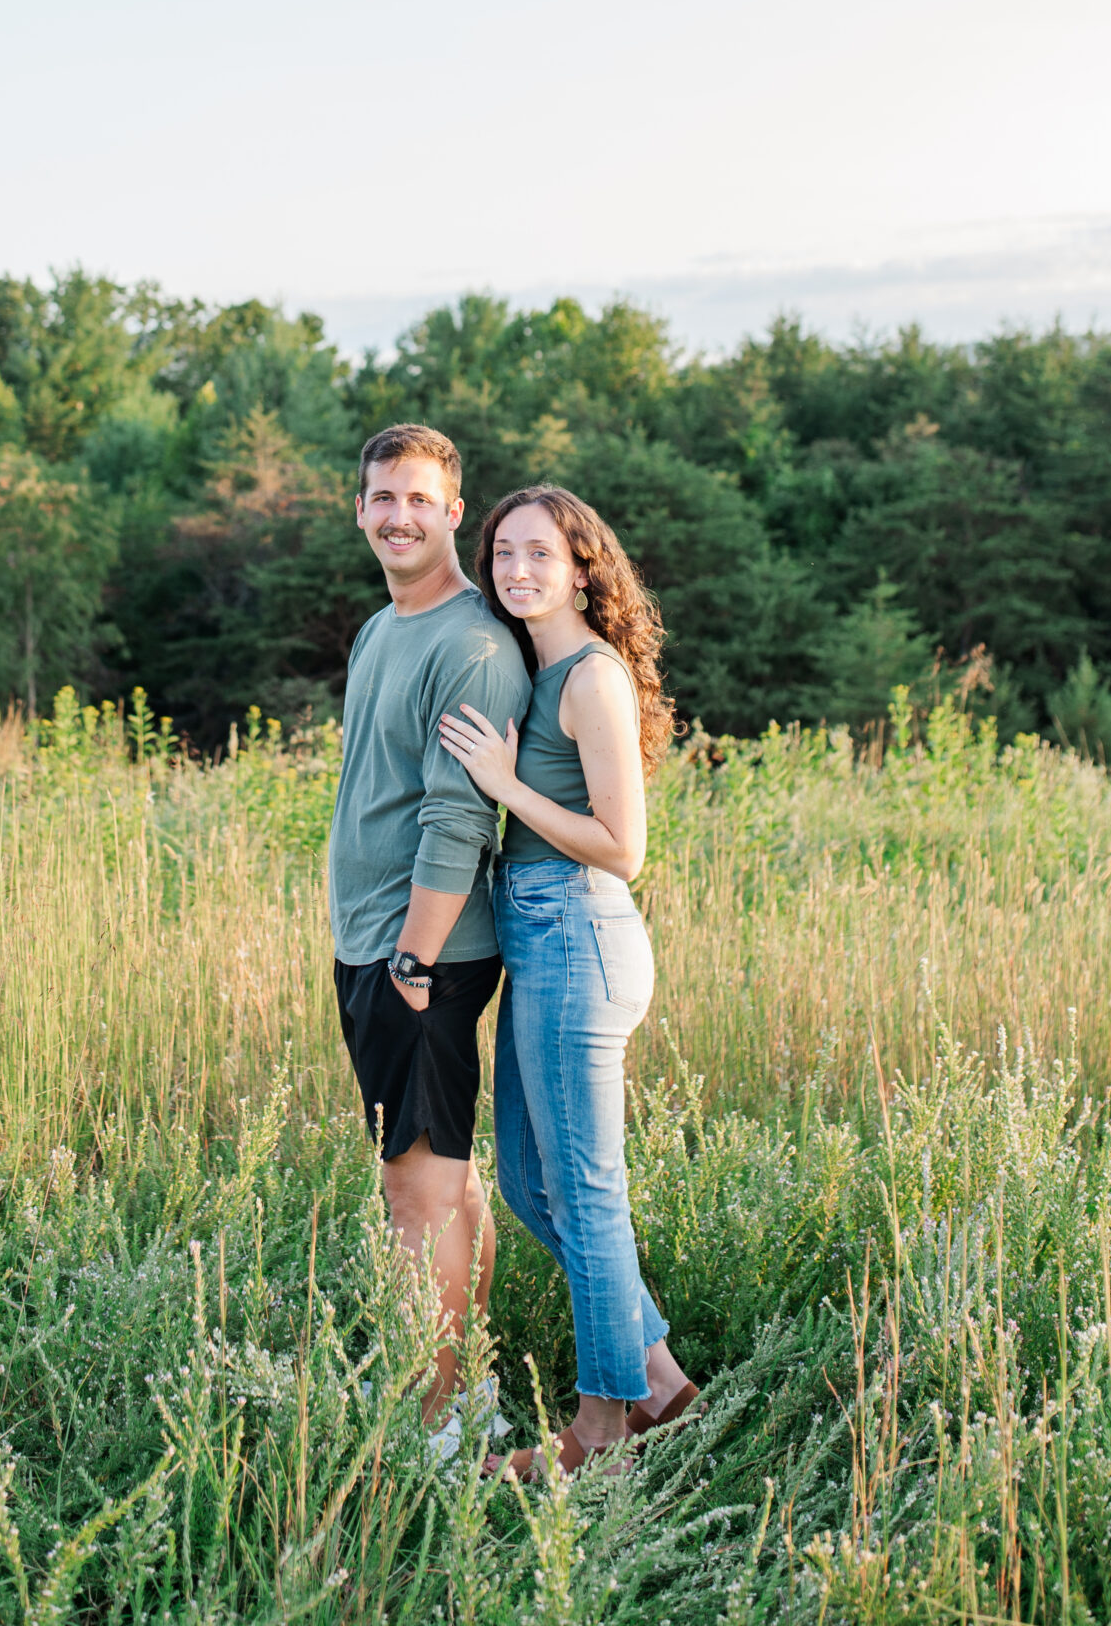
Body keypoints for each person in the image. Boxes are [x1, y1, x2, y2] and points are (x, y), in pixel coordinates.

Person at [437, 481, 699, 1476]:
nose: (515, 569)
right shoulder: (536, 671)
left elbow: (620, 846)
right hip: (540, 936)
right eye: (502, 551)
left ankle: (601, 1429)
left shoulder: (589, 677)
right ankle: (662, 1386)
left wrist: (503, 788)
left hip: (578, 932)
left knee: (583, 1191)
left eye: (538, 552)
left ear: (582, 565)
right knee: (537, 1183)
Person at [328, 423, 532, 1432]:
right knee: (443, 1183)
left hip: (424, 955)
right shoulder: (381, 628)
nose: (396, 516)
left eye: (417, 499)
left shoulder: (473, 643)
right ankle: (477, 1395)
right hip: (377, 944)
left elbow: (459, 816)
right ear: (359, 508)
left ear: (453, 511)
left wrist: (411, 955)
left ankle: (432, 1422)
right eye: (380, 498)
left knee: (416, 1197)